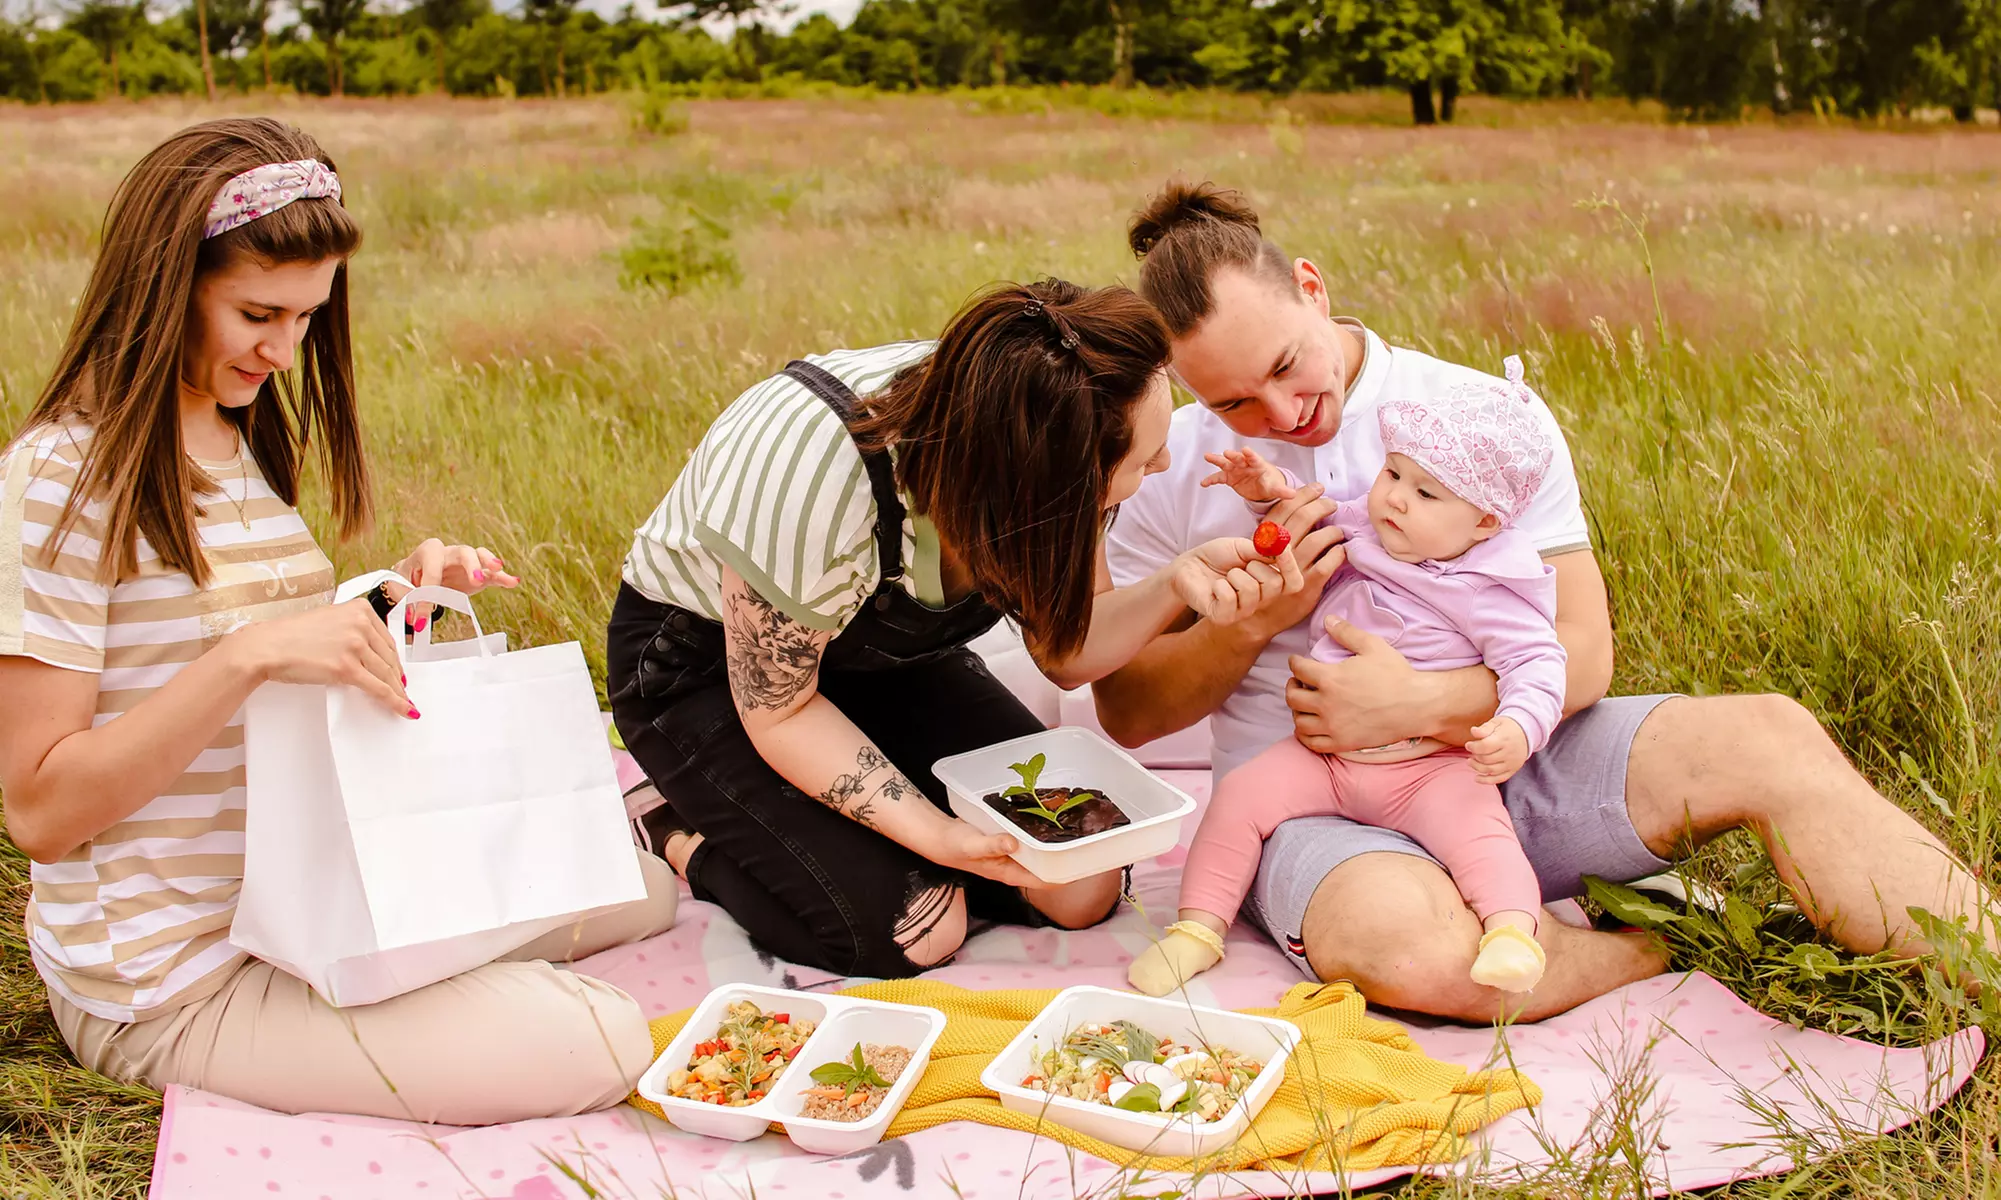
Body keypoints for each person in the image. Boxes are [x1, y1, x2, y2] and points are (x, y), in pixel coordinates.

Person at [1094, 179, 1997, 1021]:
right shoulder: (1174, 462)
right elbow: (1127, 711)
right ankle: (1649, 943)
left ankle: (1986, 970)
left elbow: (1583, 652)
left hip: (1507, 765)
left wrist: (1429, 706)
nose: (1283, 413)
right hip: (1308, 811)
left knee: (1769, 736)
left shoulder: (1482, 415)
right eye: (1236, 401)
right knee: (1404, 943)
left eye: (1289, 366)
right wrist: (1252, 626)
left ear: (1312, 287)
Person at [0, 118, 679, 1126]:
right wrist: (247, 656)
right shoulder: (62, 478)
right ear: (164, 284)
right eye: (257, 313)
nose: (283, 350)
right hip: (174, 977)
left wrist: (390, 605)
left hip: (303, 892)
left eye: (308, 318)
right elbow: (42, 812)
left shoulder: (229, 442)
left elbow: (248, 652)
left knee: (643, 895)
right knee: (599, 1038)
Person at [608, 280, 1295, 980]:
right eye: (1143, 460)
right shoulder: (812, 473)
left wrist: (1175, 584)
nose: (1163, 466)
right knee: (917, 929)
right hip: (713, 678)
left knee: (1082, 884)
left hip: (884, 666)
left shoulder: (1053, 411)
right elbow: (781, 710)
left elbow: (1066, 651)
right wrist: (935, 835)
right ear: (1048, 480)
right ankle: (678, 830)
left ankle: (841, 832)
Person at [1128, 362, 1567, 998]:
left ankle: (1509, 935)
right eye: (1394, 473)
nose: (1393, 497)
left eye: (1426, 494)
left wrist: (1518, 728)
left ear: (1483, 525)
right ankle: (1197, 930)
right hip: (1323, 757)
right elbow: (1309, 517)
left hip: (1427, 767)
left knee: (1483, 837)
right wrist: (1266, 490)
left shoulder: (1489, 588)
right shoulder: (1368, 527)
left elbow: (1539, 663)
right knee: (1238, 801)